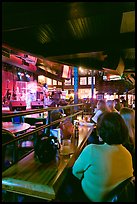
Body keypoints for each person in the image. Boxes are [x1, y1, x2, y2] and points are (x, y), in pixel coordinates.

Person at [72, 112, 134, 202]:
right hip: (115, 199)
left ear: (101, 132)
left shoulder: (91, 150)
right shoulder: (127, 154)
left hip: (91, 197)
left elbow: (76, 172)